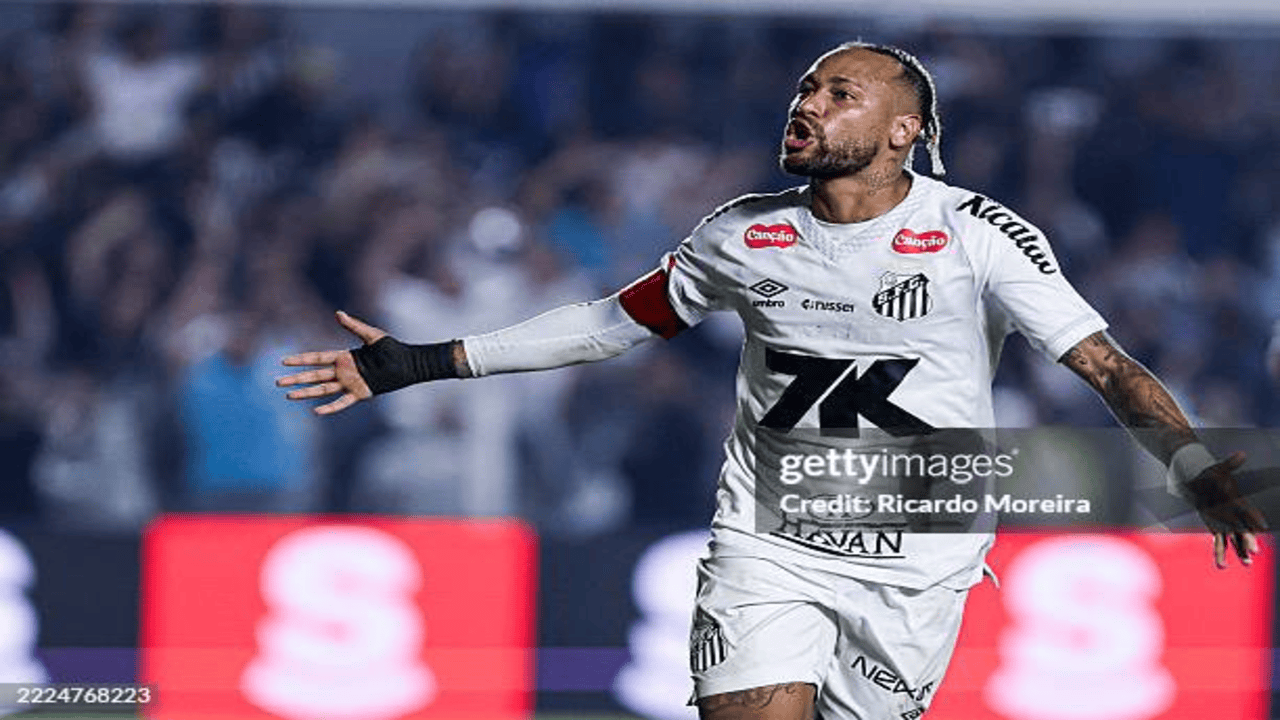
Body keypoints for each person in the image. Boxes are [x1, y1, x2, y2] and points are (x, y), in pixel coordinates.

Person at [276, 41, 1263, 720]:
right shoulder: (740, 233)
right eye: (805, 88)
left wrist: (1189, 465)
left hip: (919, 554)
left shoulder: (977, 235)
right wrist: (423, 360)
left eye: (841, 94)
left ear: (901, 131)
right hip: (769, 543)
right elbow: (606, 326)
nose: (807, 103)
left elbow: (1100, 364)